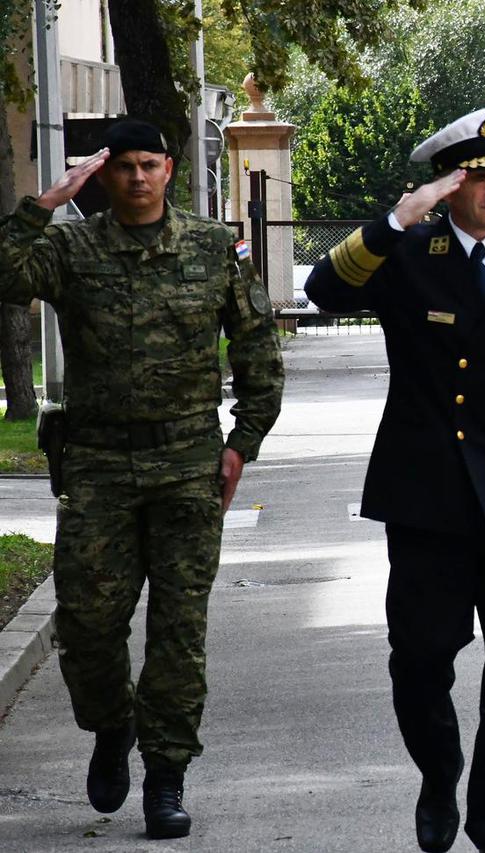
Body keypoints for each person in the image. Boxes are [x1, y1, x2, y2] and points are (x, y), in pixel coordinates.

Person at [304, 107, 485, 853]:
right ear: (450, 184)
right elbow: (323, 291)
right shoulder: (409, 254)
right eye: (480, 176)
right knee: (421, 657)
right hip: (428, 493)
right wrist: (396, 220)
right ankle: (439, 775)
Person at [0, 118, 284, 839]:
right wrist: (46, 200)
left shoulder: (213, 248)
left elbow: (259, 354)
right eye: (121, 166)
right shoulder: (71, 246)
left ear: (168, 169)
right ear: (107, 175)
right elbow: (6, 272)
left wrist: (241, 444)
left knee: (178, 632)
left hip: (188, 463)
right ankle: (110, 723)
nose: (135, 177)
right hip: (96, 467)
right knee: (88, 624)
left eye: (148, 164)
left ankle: (165, 776)